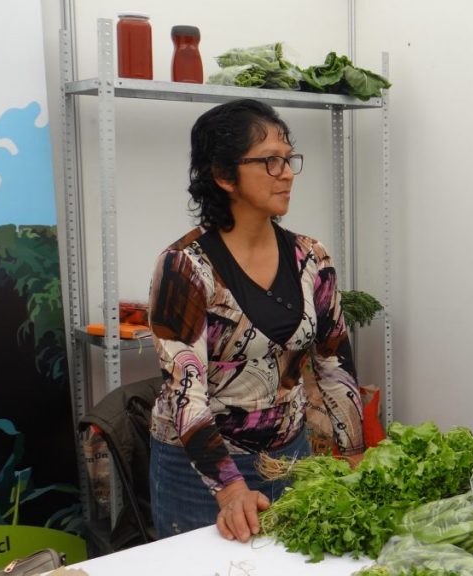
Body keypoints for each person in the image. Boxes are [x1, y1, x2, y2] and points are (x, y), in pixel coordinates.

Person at [147, 98, 364, 543]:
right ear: (224, 175)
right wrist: (229, 489)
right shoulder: (185, 268)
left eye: (288, 159)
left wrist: (355, 453)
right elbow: (186, 390)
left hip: (291, 456)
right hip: (201, 477)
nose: (286, 173)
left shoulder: (310, 257)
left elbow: (333, 363)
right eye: (269, 161)